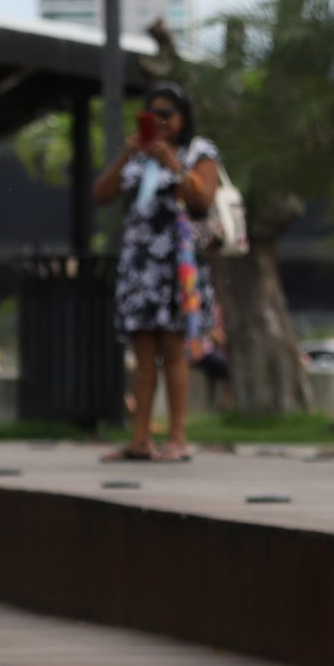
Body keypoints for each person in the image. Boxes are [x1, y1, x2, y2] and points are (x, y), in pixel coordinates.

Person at [95, 81, 219, 460]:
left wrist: (173, 164)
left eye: (168, 114)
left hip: (176, 265)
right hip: (140, 265)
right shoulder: (139, 157)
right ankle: (140, 439)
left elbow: (202, 198)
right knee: (143, 354)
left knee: (173, 349)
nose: (161, 122)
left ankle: (177, 438)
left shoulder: (199, 151)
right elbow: (101, 195)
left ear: (183, 117)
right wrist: (126, 155)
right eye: (153, 115)